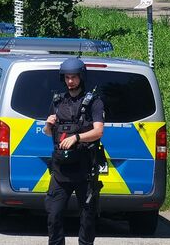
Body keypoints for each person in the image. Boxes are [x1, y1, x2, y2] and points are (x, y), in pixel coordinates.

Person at [42, 57, 105, 245]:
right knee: (53, 215)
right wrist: (48, 125)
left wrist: (76, 138)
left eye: (74, 77)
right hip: (61, 170)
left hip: (84, 169)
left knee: (87, 217)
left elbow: (98, 131)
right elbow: (48, 133)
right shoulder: (57, 101)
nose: (70, 81)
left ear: (81, 77)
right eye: (67, 77)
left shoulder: (94, 102)